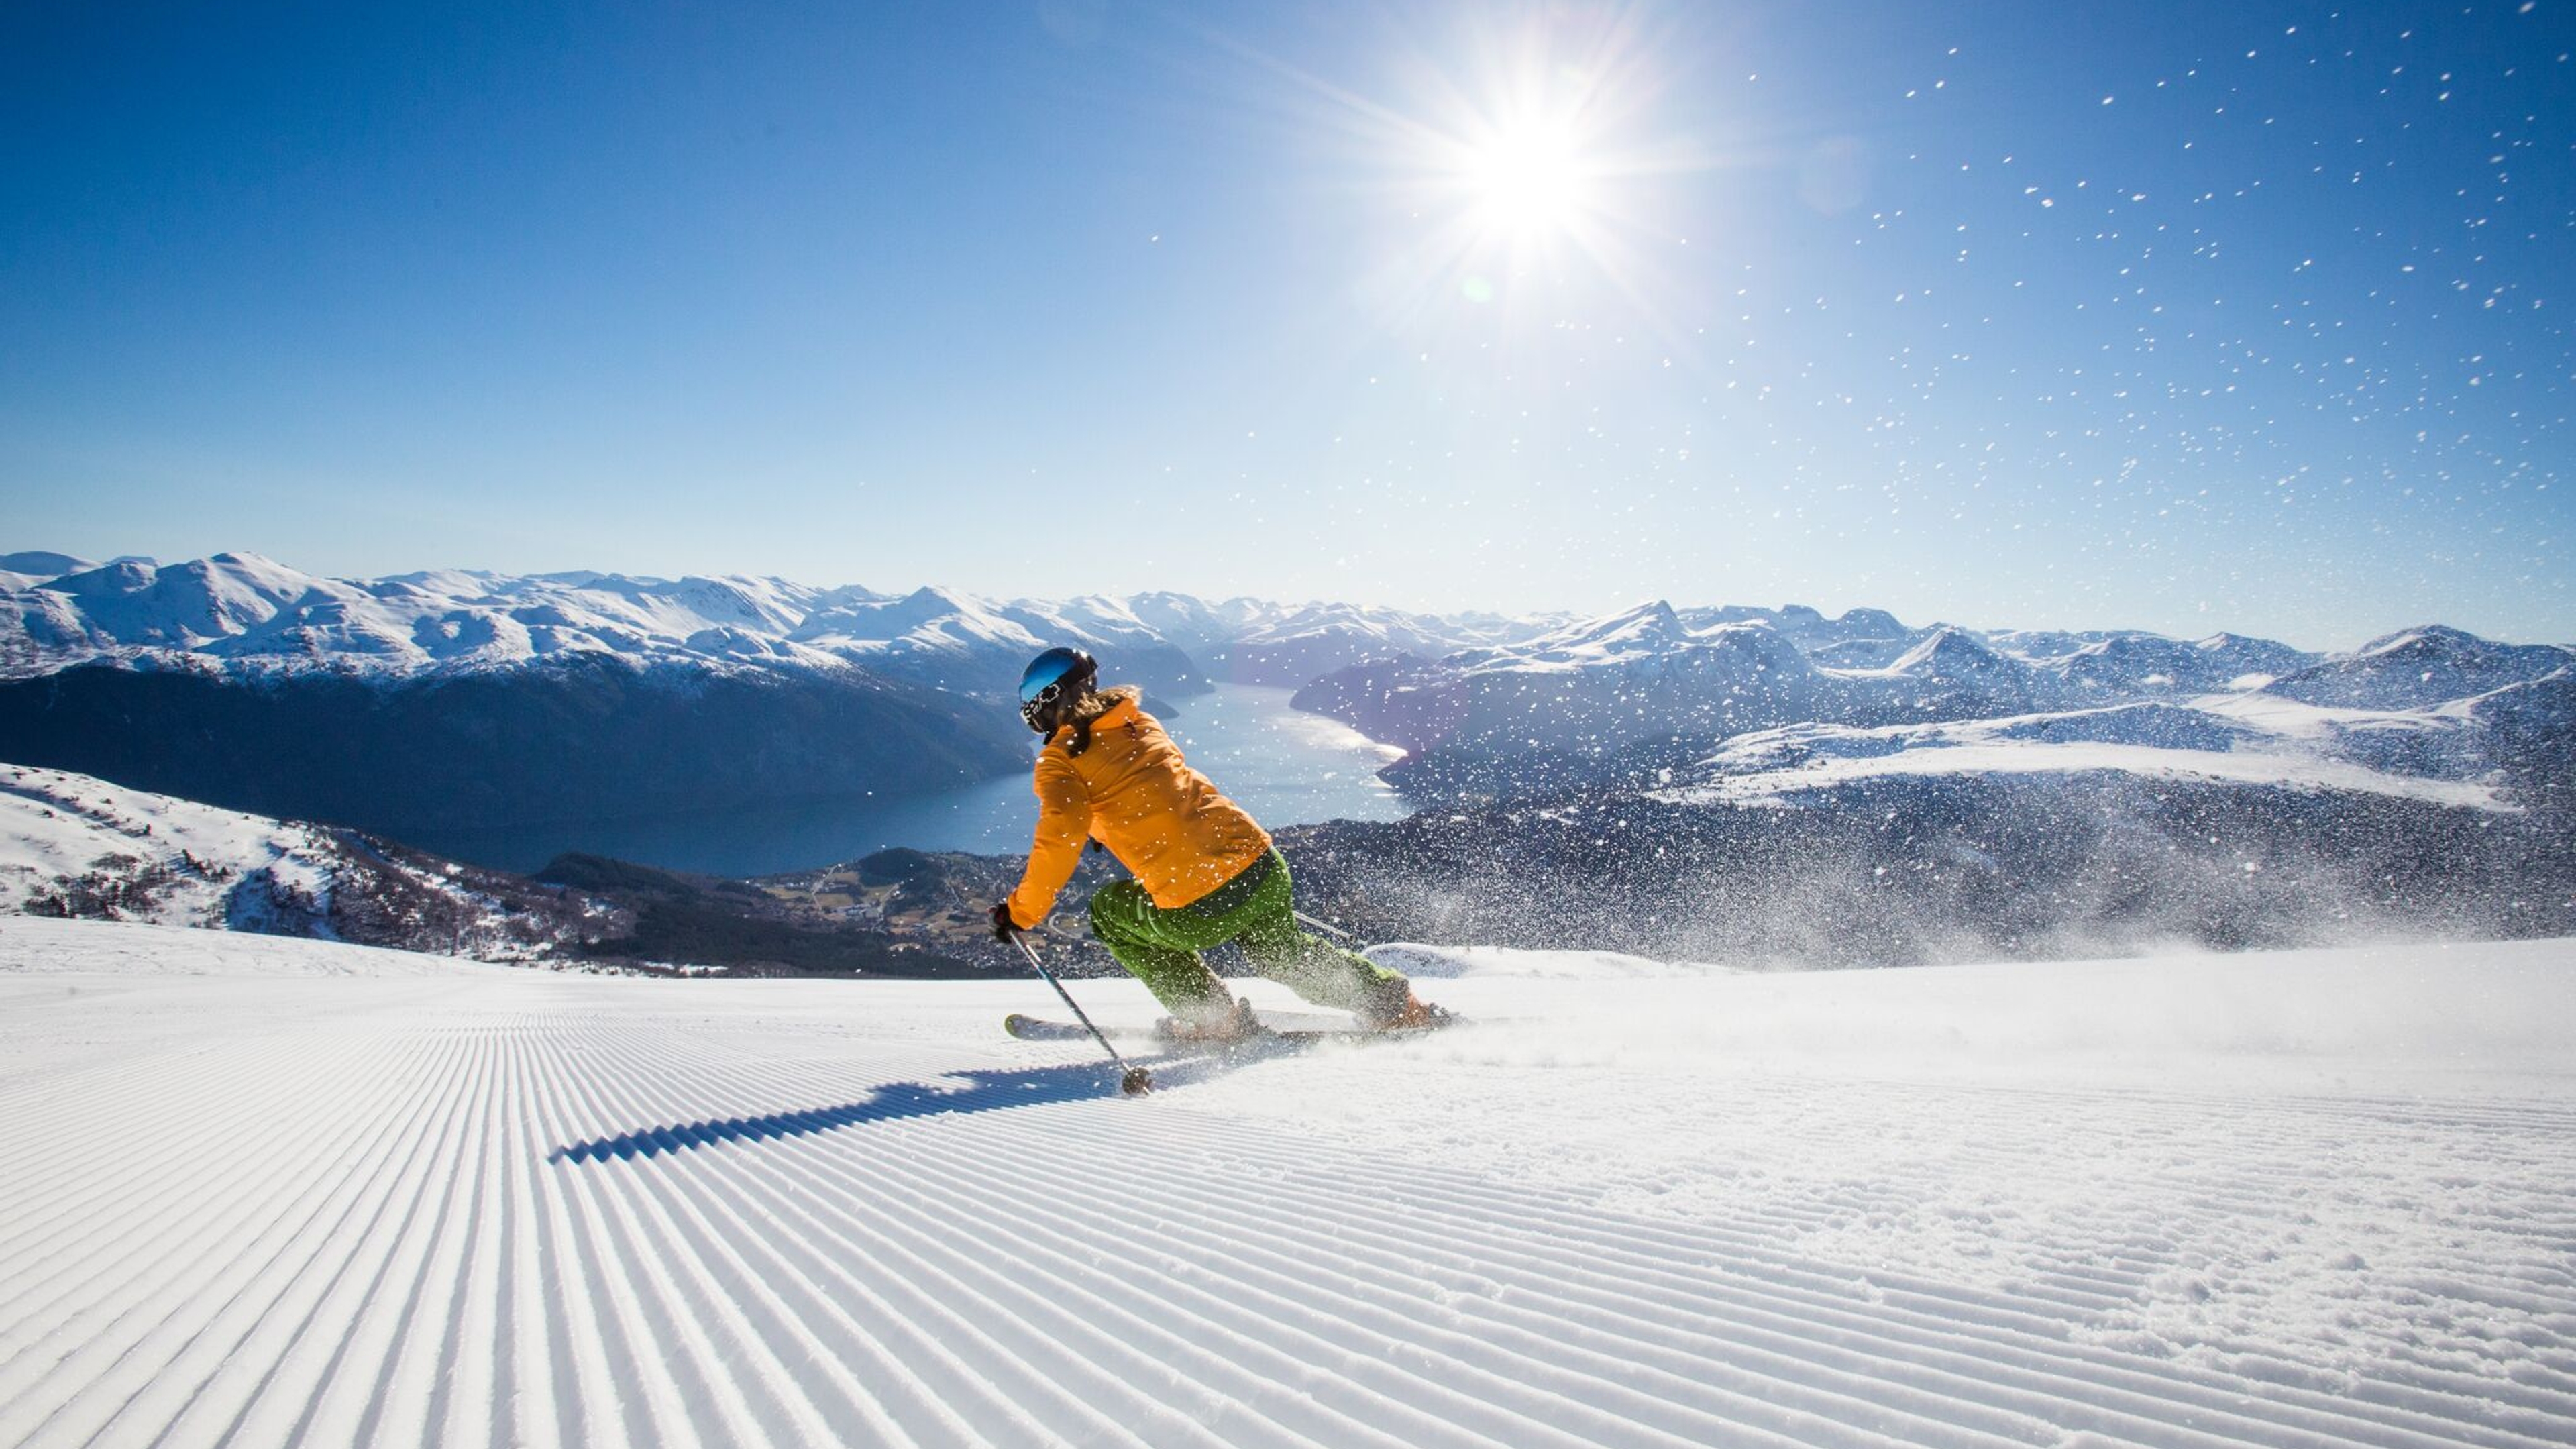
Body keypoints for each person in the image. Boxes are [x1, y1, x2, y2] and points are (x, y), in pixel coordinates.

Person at [989, 646, 1452, 1041]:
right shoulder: (1139, 722)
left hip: (1198, 906)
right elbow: (1154, 791)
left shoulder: (1059, 763)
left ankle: (1214, 1019)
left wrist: (1022, 912)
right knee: (1282, 955)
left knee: (1110, 912)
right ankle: (1396, 1006)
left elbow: (1059, 836)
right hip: (1261, 866)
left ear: (1046, 703)